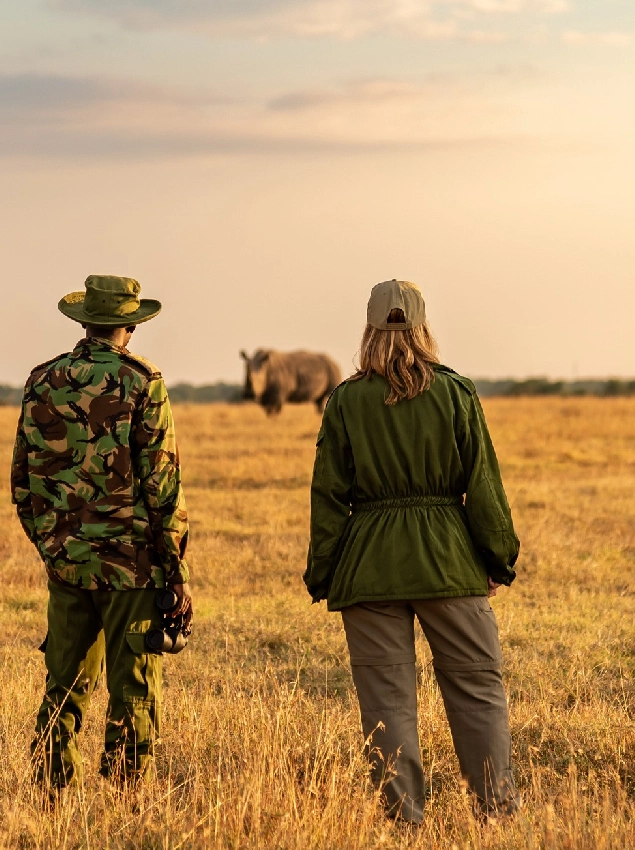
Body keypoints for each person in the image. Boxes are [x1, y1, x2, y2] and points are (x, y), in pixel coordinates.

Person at [303, 279, 519, 823]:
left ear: (370, 330)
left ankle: (405, 823)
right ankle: (495, 816)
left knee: (386, 703)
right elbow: (484, 486)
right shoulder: (456, 392)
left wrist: (323, 572)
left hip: (368, 568)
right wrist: (496, 560)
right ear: (422, 327)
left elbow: (328, 496)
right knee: (478, 691)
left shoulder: (346, 399)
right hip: (451, 562)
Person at [11, 274, 192, 792]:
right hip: (132, 568)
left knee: (62, 686)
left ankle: (50, 793)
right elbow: (162, 487)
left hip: (66, 562)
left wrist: (52, 545)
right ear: (130, 325)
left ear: (84, 320)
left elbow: (22, 481)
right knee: (132, 690)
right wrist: (176, 573)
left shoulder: (42, 379)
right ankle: (125, 800)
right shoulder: (143, 382)